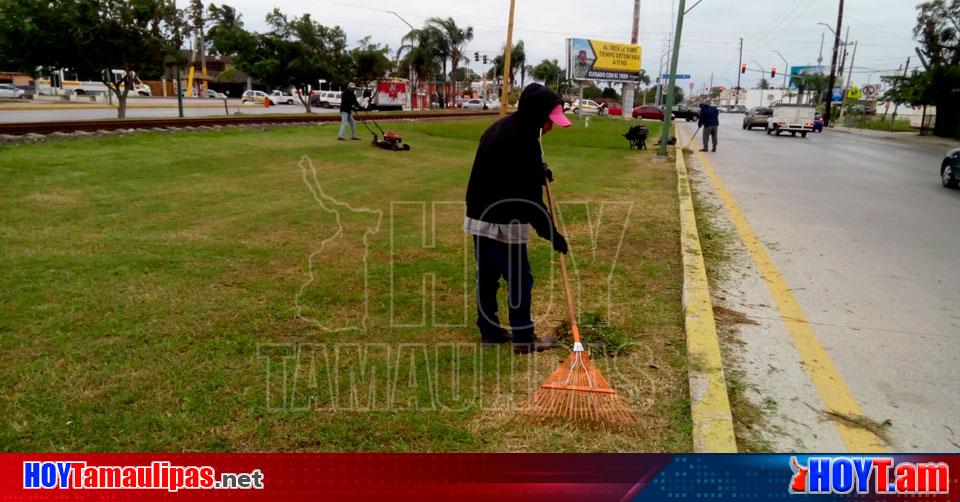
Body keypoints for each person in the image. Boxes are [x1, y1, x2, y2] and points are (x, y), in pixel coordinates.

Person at [464, 83, 572, 355]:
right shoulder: (524, 140)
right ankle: (524, 337)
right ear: (537, 115)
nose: (549, 128)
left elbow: (510, 171)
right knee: (520, 279)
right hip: (503, 220)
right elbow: (530, 202)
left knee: (487, 275)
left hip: (479, 215)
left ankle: (489, 331)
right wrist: (552, 234)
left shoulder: (500, 128)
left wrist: (538, 171)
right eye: (549, 121)